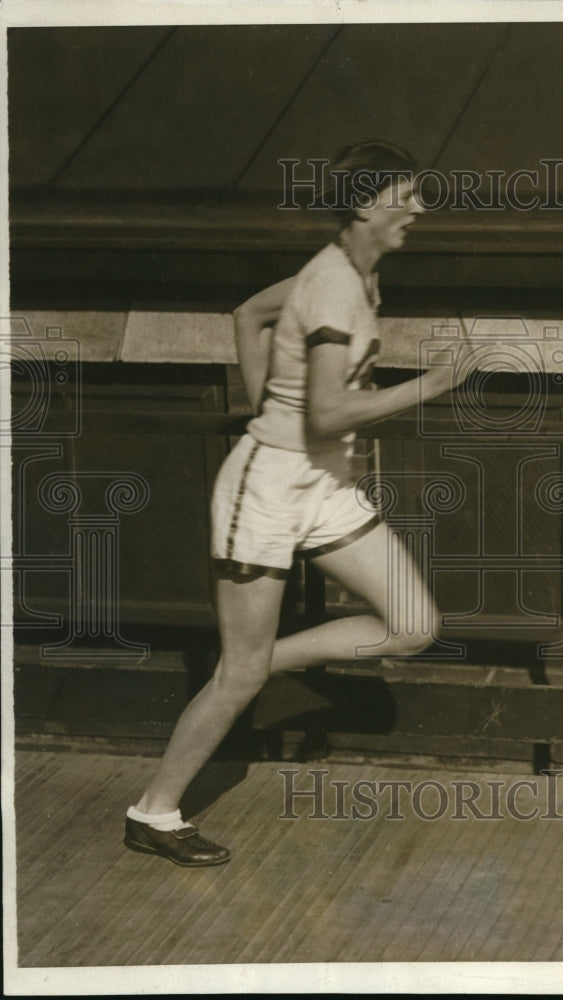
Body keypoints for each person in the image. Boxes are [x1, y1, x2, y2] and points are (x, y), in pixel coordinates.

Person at [124, 139, 471, 865]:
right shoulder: (335, 287)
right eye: (404, 197)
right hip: (270, 492)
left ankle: (253, 661)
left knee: (411, 625)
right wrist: (427, 388)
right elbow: (325, 415)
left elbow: (248, 314)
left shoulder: (349, 274)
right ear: (363, 206)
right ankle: (153, 812)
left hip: (323, 486)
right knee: (237, 676)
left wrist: (265, 405)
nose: (419, 209)